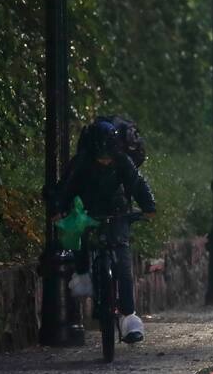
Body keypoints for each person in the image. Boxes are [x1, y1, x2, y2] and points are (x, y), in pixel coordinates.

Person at [55, 119, 157, 344]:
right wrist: (59, 208)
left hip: (117, 211)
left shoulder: (123, 161)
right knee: (81, 241)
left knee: (123, 262)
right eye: (101, 157)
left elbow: (137, 184)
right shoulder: (81, 163)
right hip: (89, 212)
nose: (105, 161)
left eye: (108, 156)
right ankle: (83, 274)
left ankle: (129, 317)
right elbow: (67, 188)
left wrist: (149, 207)